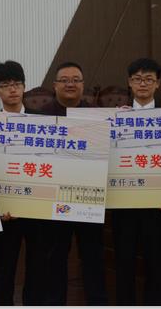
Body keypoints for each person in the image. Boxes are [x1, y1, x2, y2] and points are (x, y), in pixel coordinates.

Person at [40, 62, 107, 305]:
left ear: (83, 85)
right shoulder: (40, 118)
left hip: (89, 199)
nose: (70, 84)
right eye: (65, 80)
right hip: (53, 200)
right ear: (55, 85)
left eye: (76, 80)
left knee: (93, 257)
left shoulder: (97, 116)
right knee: (54, 258)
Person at [112, 58, 161, 305]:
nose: (143, 84)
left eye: (149, 79)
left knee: (155, 263)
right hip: (123, 202)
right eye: (137, 79)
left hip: (156, 204)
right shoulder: (116, 118)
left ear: (158, 84)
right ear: (129, 83)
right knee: (123, 262)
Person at [0, 60, 47, 305]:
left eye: (17, 83)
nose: (12, 89)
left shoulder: (43, 122)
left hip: (36, 208)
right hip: (5, 211)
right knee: (4, 269)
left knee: (37, 267)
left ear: (24, 87)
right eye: (5, 85)